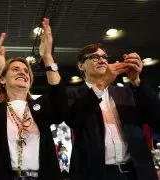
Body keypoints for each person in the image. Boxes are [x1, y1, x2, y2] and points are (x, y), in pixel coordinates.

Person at [0, 18, 67, 180]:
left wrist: (48, 57)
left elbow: (61, 105)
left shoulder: (42, 106)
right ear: (3, 80)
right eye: (15, 69)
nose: (22, 72)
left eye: (25, 71)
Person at [66, 43, 160, 180]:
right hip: (98, 174)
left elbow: (156, 120)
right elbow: (73, 119)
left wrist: (137, 81)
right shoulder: (72, 94)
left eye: (104, 57)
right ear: (81, 66)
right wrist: (102, 83)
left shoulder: (125, 92)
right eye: (94, 57)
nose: (102, 60)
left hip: (136, 172)